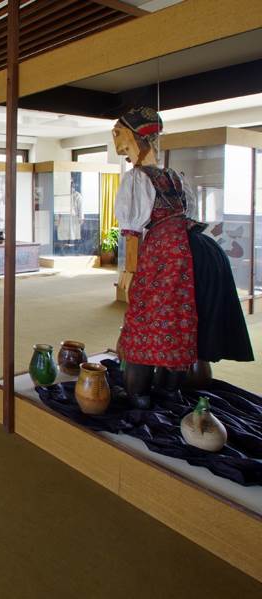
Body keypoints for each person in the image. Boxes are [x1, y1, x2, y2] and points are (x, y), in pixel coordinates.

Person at [113, 107, 253, 409]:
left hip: (167, 255)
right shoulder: (174, 177)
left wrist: (131, 272)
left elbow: (133, 232)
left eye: (119, 134)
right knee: (177, 323)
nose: (117, 143)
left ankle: (139, 396)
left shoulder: (136, 178)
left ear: (135, 137)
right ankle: (169, 390)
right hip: (198, 249)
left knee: (144, 325)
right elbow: (186, 215)